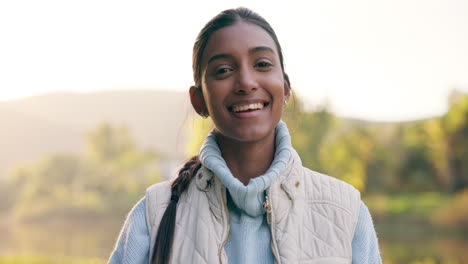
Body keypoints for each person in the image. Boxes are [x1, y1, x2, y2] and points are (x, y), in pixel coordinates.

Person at [108, 7, 382, 264]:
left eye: (262, 64)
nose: (246, 82)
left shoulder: (346, 213)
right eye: (224, 70)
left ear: (285, 89)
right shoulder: (154, 215)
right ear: (199, 100)